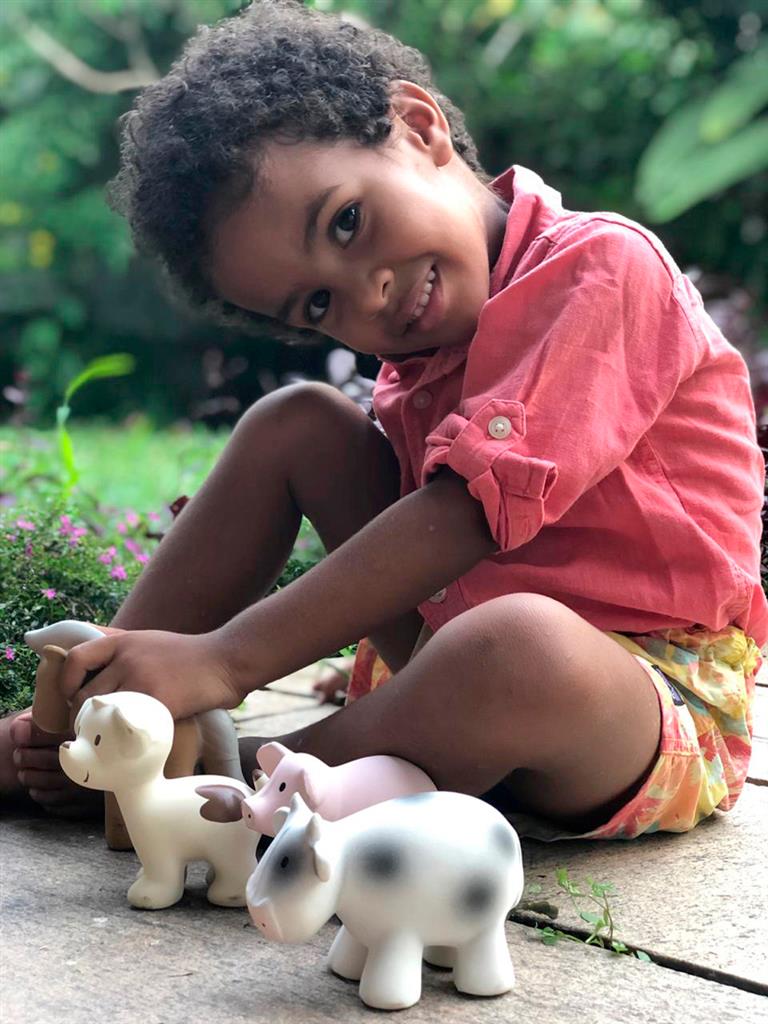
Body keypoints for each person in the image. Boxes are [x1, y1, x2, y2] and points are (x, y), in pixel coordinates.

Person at [3, 0, 765, 840]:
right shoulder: (425, 351)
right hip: (462, 659)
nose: (367, 295)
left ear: (419, 126)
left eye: (347, 222)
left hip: (648, 695)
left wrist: (226, 661)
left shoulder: (604, 269)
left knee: (519, 645)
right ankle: (96, 718)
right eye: (317, 304)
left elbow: (465, 517)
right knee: (298, 423)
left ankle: (226, 781)